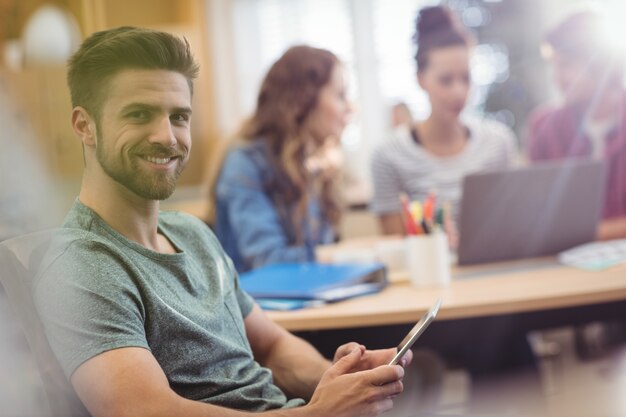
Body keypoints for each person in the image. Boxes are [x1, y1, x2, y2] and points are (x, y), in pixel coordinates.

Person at [33, 26, 411, 417]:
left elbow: (272, 347)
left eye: (179, 116)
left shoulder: (193, 234)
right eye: (139, 114)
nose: (166, 136)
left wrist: (339, 380)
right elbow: (144, 410)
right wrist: (318, 413)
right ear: (84, 125)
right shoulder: (80, 265)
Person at [371, 5, 518, 236]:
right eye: (446, 80)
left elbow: (513, 225)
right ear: (421, 79)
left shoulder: (498, 143)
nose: (459, 92)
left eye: (465, 78)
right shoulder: (388, 155)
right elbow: (396, 242)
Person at [214, 45, 350, 272]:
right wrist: (344, 256)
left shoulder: (311, 164)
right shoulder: (245, 164)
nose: (350, 108)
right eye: (340, 96)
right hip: (259, 304)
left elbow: (317, 253)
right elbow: (269, 262)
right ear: (303, 100)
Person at [527, 11, 626, 240]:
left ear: (601, 65)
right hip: (564, 263)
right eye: (554, 66)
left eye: (566, 66)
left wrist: (586, 233)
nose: (557, 77)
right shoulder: (544, 127)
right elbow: (537, 212)